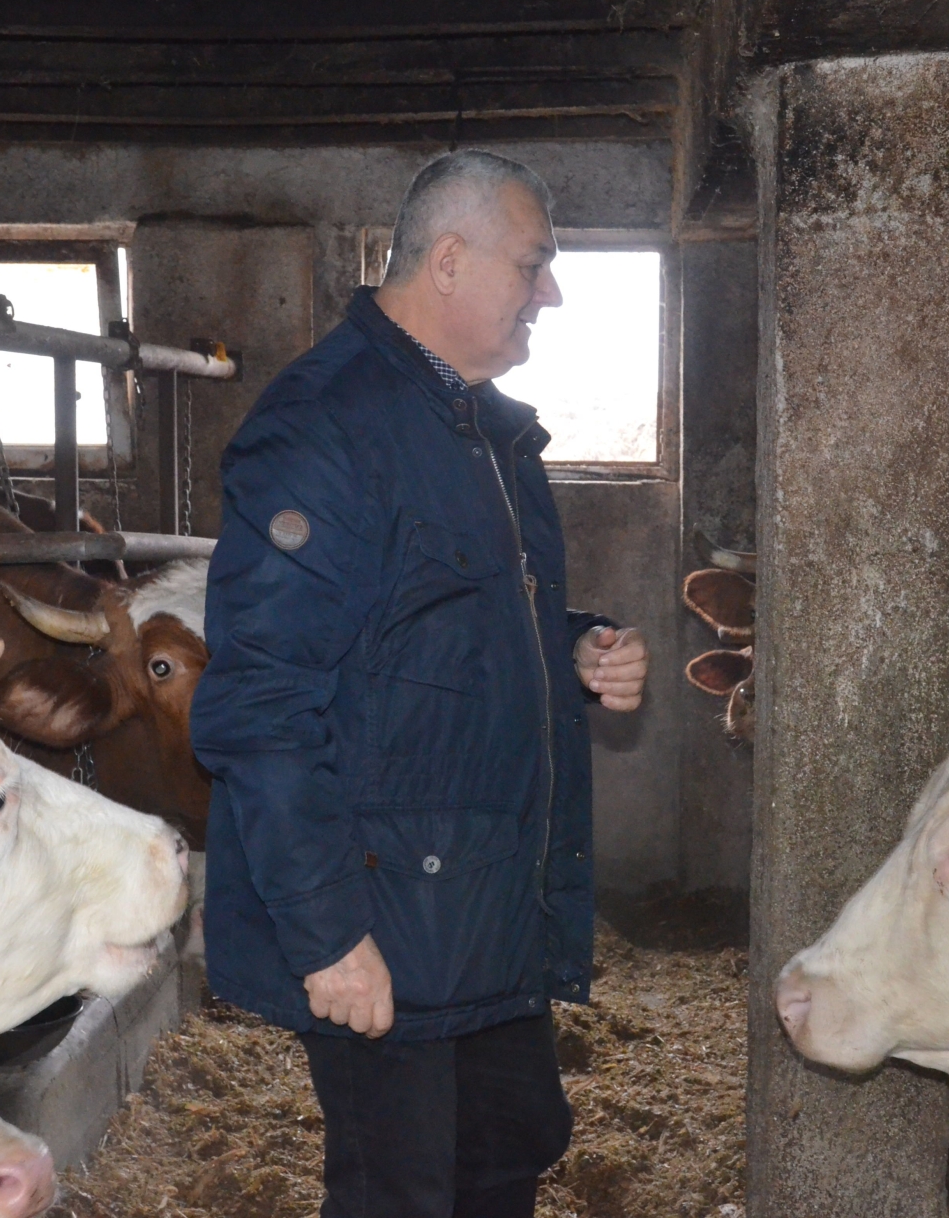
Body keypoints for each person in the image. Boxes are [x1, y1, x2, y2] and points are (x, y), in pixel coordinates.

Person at [191, 149, 650, 1218]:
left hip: (484, 904)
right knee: (401, 1192)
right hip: (385, 920)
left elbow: (436, 624)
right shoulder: (324, 426)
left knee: (507, 1157)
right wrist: (328, 936)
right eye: (534, 263)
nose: (551, 292)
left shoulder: (483, 428)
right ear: (449, 261)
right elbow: (261, 703)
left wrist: (570, 650)